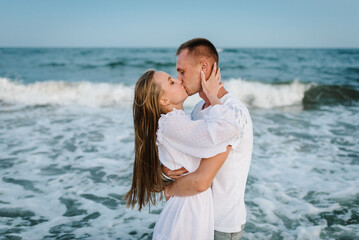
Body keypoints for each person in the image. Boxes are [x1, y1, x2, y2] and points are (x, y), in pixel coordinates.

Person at [124, 65, 244, 239]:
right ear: (163, 101)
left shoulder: (178, 122)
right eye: (171, 82)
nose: (178, 80)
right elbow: (229, 130)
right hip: (186, 217)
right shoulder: (171, 123)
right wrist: (213, 95)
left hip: (189, 211)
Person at [163, 38, 253, 240]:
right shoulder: (198, 108)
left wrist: (168, 190)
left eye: (182, 71)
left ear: (203, 68)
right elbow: (188, 159)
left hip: (219, 225)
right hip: (197, 218)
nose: (178, 79)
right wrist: (166, 169)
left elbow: (201, 181)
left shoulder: (232, 113)